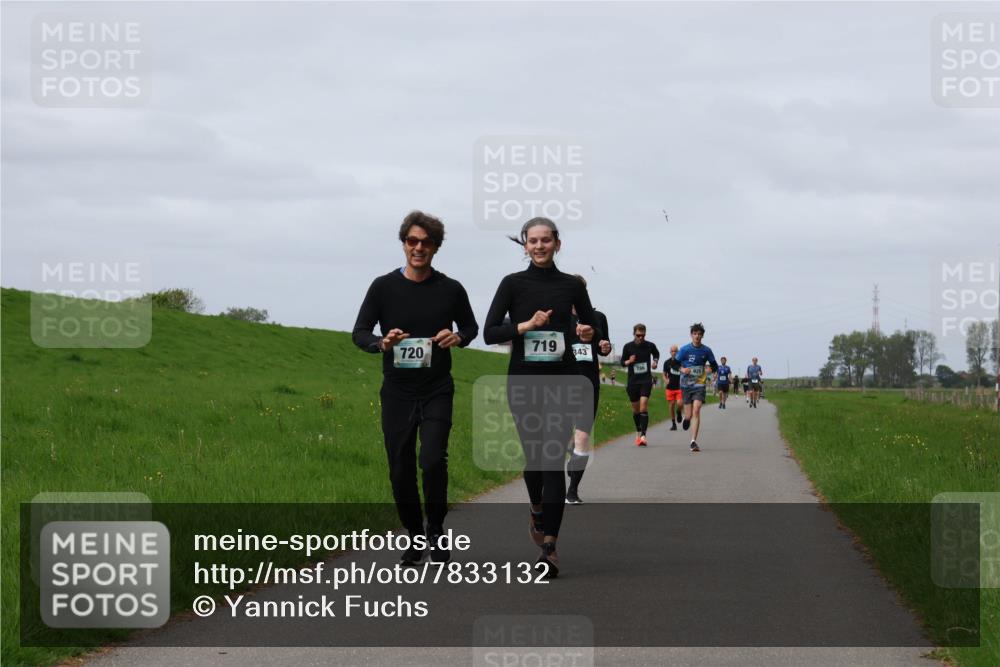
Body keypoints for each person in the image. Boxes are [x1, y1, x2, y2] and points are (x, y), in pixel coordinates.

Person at [352, 211, 479, 566]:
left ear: (436, 247)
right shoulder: (383, 287)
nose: (418, 248)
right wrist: (382, 343)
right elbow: (359, 332)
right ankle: (414, 534)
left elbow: (471, 327)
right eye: (412, 241)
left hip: (437, 387)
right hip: (397, 391)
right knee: (400, 467)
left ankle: (436, 530)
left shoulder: (451, 289)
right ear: (404, 244)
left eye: (426, 242)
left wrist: (458, 336)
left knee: (433, 459)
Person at [483, 217, 599, 578]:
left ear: (557, 244)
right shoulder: (512, 284)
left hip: (562, 381)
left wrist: (587, 330)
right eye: (532, 241)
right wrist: (525, 326)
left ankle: (549, 547)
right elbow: (489, 332)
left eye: (545, 240)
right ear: (525, 246)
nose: (539, 246)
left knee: (551, 461)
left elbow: (591, 325)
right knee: (534, 461)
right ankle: (536, 507)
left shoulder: (570, 287)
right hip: (524, 383)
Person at [566, 275, 612, 505]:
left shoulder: (598, 318)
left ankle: (572, 490)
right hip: (562, 383)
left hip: (588, 382)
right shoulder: (559, 318)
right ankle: (571, 454)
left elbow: (604, 346)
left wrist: (605, 346)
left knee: (582, 437)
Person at [678, 322, 719, 452]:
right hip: (686, 384)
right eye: (695, 334)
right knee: (689, 414)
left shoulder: (706, 350)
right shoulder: (684, 349)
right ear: (691, 335)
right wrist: (683, 369)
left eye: (699, 334)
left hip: (699, 384)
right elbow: (674, 365)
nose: (697, 336)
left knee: (697, 410)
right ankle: (686, 418)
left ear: (702, 336)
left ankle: (693, 441)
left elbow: (715, 366)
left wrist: (709, 370)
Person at [619, 324, 661, 446]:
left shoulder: (649, 345)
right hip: (632, 382)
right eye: (638, 335)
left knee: (643, 406)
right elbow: (622, 362)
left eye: (643, 335)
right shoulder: (628, 347)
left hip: (646, 380)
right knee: (635, 410)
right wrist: (629, 361)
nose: (641, 337)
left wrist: (655, 362)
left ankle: (643, 435)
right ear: (634, 334)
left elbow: (656, 354)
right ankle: (638, 430)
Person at [662, 345, 683, 430]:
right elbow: (663, 374)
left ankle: (679, 412)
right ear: (670, 352)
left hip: (679, 387)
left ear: (678, 352)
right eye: (672, 351)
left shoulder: (681, 362)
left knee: (680, 403)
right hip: (670, 387)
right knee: (671, 405)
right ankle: (673, 423)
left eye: (675, 351)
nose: (674, 353)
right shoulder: (667, 362)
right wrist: (665, 379)